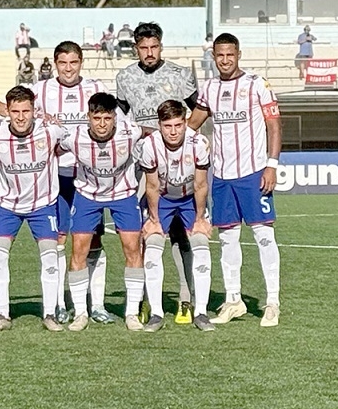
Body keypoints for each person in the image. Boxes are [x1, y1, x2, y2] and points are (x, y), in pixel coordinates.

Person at [187, 32, 282, 328]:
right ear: (213, 57)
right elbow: (192, 124)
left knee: (264, 236)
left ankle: (272, 302)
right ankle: (233, 299)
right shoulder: (210, 88)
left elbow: (274, 125)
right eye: (219, 55)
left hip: (254, 173)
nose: (225, 60)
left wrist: (271, 165)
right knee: (228, 239)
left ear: (238, 54)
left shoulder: (256, 84)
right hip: (222, 177)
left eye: (230, 54)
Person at [115, 21, 199, 325]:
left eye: (154, 47)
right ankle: (145, 300)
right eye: (143, 48)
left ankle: (186, 297)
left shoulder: (179, 75)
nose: (149, 53)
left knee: (179, 232)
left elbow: (200, 109)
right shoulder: (124, 78)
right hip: (139, 167)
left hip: (178, 166)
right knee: (142, 232)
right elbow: (121, 120)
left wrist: (183, 139)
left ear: (160, 46)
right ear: (136, 48)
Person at [32, 41, 112, 324]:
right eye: (63, 63)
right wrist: (42, 118)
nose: (68, 68)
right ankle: (59, 303)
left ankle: (98, 304)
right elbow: (20, 117)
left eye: (74, 62)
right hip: (55, 176)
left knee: (93, 239)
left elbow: (111, 121)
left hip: (89, 176)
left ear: (81, 62)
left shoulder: (94, 88)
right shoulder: (40, 90)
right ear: (55, 63)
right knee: (59, 240)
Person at [0, 86, 67, 332]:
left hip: (42, 205)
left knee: (50, 256)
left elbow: (70, 134)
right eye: (15, 111)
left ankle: (50, 313)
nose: (20, 116)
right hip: (7, 205)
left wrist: (49, 118)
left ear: (34, 110)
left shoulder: (51, 132)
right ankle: (2, 314)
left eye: (26, 111)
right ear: (7, 111)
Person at [59, 92, 144, 331]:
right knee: (79, 251)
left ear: (115, 118)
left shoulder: (130, 132)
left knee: (132, 249)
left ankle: (132, 313)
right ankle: (80, 313)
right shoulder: (73, 137)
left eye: (107, 118)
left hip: (123, 194)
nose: (102, 124)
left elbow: (150, 132)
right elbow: (49, 142)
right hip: (87, 196)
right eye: (97, 118)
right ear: (88, 117)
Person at [140, 100, 214, 332]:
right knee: (152, 244)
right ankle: (156, 313)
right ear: (159, 125)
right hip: (161, 197)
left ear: (185, 122)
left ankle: (200, 311)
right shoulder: (149, 145)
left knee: (201, 243)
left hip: (190, 198)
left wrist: (200, 218)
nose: (173, 131)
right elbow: (151, 186)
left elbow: (201, 185)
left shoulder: (199, 143)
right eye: (167, 126)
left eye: (178, 125)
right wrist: (153, 220)